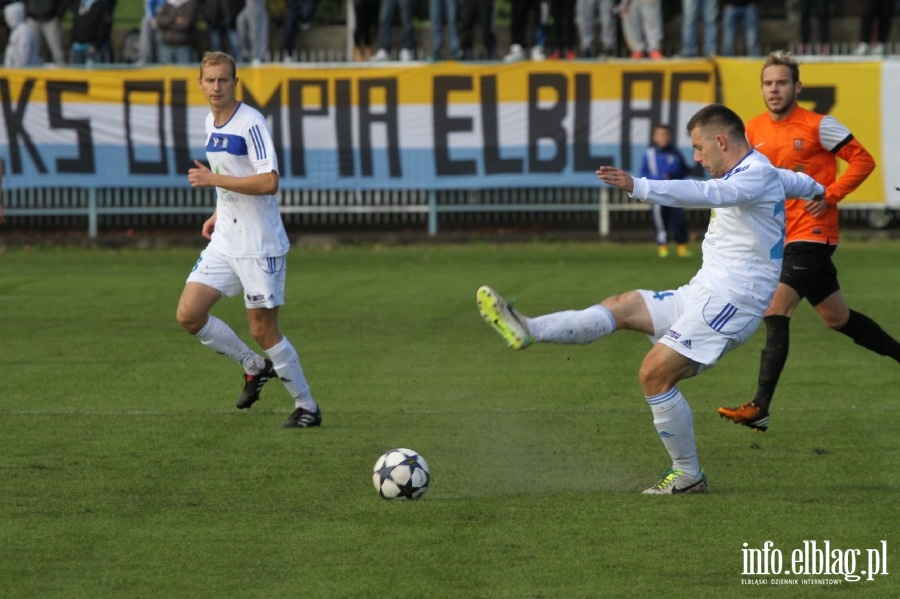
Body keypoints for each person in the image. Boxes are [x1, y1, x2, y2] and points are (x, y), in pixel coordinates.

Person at [477, 103, 825, 494]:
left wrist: (639, 185)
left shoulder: (751, 176)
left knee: (654, 374)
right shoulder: (761, 170)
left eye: (698, 147)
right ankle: (528, 328)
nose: (695, 157)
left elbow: (704, 192)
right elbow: (792, 181)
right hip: (703, 290)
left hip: (733, 303)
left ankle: (688, 474)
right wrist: (818, 191)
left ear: (721, 141)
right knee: (622, 305)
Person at [718, 52, 900, 432]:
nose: (774, 89)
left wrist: (829, 196)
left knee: (775, 309)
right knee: (837, 318)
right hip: (780, 236)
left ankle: (760, 407)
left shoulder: (820, 125)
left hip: (814, 234)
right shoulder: (751, 130)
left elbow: (863, 161)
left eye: (781, 83)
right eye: (768, 83)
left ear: (797, 87)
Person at [176, 51, 322, 429]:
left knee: (262, 330)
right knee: (189, 314)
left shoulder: (251, 123)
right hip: (227, 237)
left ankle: (307, 406)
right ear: (200, 82)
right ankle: (253, 366)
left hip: (259, 243)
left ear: (235, 82)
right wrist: (217, 211)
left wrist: (213, 181)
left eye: (223, 80)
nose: (216, 87)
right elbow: (229, 174)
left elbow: (269, 181)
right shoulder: (210, 121)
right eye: (210, 80)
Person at [639, 123, 691, 258]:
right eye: (660, 135)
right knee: (660, 219)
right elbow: (644, 172)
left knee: (679, 219)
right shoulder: (649, 153)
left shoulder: (675, 152)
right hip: (657, 192)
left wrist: (673, 176)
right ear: (654, 137)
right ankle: (663, 247)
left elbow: (684, 169)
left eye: (665, 135)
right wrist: (657, 179)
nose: (663, 137)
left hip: (675, 191)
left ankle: (682, 247)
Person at [68, 0, 115, 65]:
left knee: (93, 73)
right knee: (75, 74)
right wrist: (72, 42)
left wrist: (96, 45)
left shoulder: (103, 5)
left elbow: (104, 28)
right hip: (76, 47)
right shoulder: (80, 3)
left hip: (92, 49)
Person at [25, 0, 67, 64]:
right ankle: (31, 73)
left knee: (58, 53)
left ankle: (62, 72)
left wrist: (60, 14)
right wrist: (26, 11)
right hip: (32, 17)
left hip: (51, 18)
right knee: (31, 52)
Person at [4, 1, 39, 67]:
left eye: (8, 16)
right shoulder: (16, 31)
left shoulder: (23, 32)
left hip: (22, 73)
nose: (6, 19)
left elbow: (23, 56)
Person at [137, 0, 164, 64]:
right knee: (146, 23)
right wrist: (152, 19)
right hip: (159, 16)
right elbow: (149, 6)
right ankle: (145, 57)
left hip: (173, 15)